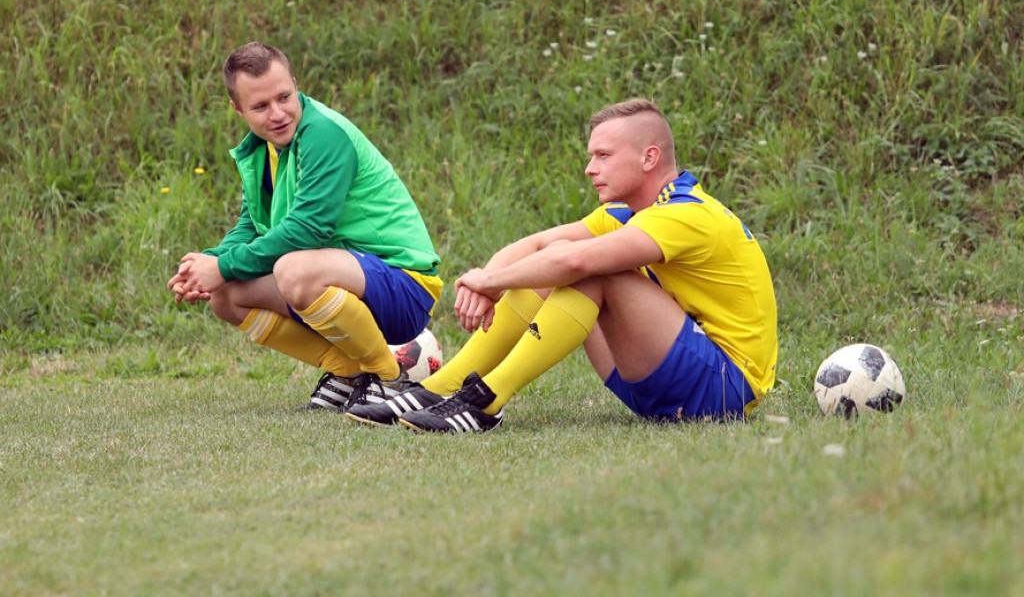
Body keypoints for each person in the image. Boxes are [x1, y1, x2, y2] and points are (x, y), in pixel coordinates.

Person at [346, 98, 777, 431]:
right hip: (659, 383)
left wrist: (491, 280)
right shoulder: (631, 213)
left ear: (648, 158)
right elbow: (539, 243)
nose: (591, 169)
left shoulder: (687, 214)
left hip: (724, 389)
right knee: (557, 265)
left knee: (591, 270)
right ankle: (441, 388)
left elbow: (572, 259)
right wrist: (484, 283)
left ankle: (484, 404)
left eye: (604, 156)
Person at [167, 42, 442, 411]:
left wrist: (223, 266)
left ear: (296, 84)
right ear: (237, 108)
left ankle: (387, 376)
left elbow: (309, 229)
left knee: (293, 269)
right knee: (226, 296)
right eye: (261, 106)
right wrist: (208, 264)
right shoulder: (263, 150)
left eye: (284, 97)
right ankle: (345, 372)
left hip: (405, 286)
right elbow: (252, 224)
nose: (277, 113)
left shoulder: (323, 134)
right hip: (344, 279)